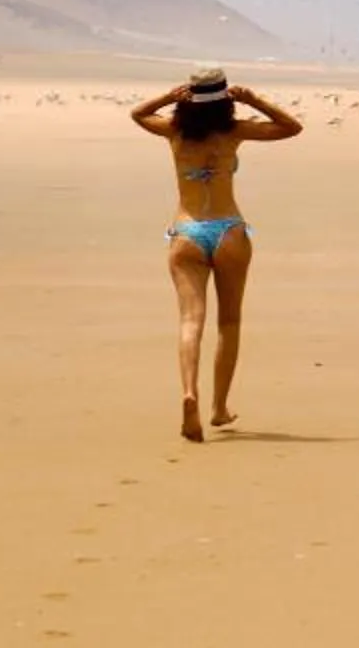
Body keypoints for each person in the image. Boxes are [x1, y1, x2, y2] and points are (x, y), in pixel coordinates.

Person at [129, 68, 304, 441]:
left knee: (191, 321)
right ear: (225, 99)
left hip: (187, 232)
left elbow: (137, 114)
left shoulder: (174, 132)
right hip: (229, 231)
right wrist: (253, 100)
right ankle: (219, 407)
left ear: (189, 98)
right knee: (229, 323)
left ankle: (189, 392)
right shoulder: (234, 132)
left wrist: (168, 98)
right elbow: (292, 128)